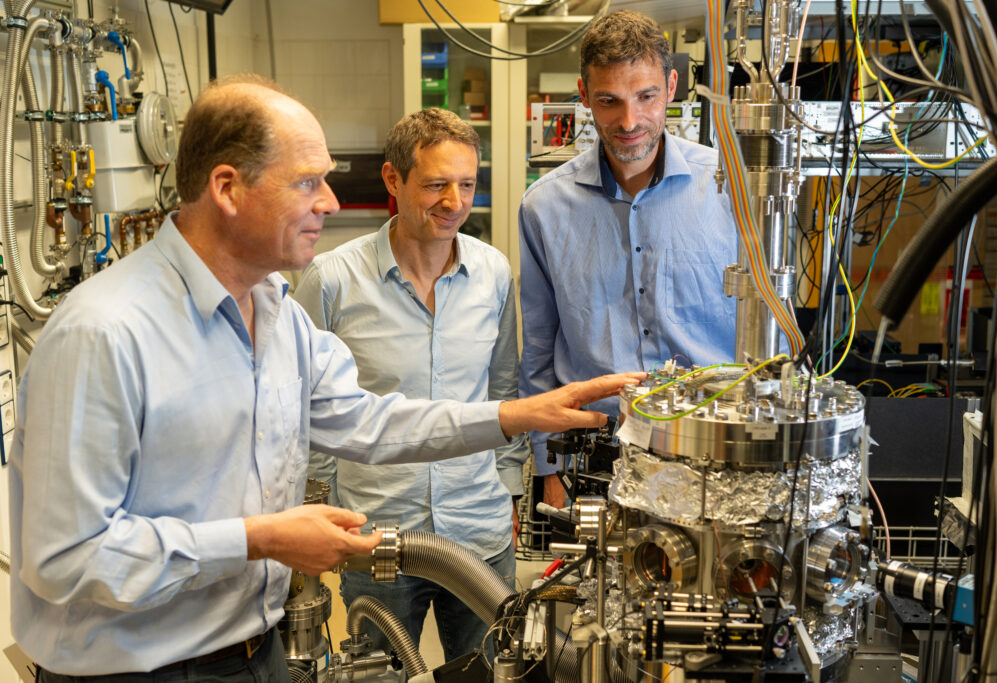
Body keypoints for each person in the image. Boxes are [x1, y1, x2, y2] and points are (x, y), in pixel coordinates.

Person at [8, 74, 640, 680]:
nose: (331, 203)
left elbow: (370, 419)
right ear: (228, 189)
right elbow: (65, 557)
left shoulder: (278, 315)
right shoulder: (105, 333)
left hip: (256, 650)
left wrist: (519, 415)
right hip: (140, 671)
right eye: (308, 181)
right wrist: (258, 540)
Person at [292, 108, 528, 661]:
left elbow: (503, 388)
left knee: (492, 674)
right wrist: (323, 502)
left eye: (467, 184)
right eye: (436, 184)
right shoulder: (333, 279)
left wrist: (509, 489)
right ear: (394, 180)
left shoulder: (494, 274)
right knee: (374, 675)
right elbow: (305, 405)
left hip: (478, 532)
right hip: (377, 536)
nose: (455, 202)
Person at [518, 10, 738, 507]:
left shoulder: (730, 189)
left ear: (673, 86)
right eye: (609, 101)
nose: (630, 121)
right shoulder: (544, 207)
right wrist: (548, 469)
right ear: (583, 95)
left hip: (715, 454)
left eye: (646, 97)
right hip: (593, 460)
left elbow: (766, 328)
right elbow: (537, 350)